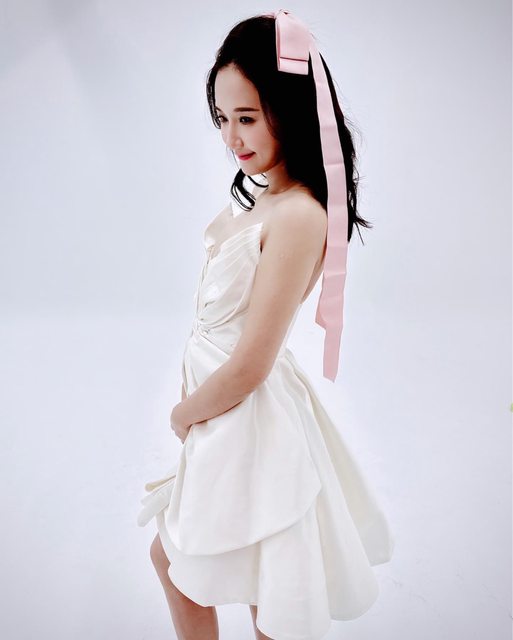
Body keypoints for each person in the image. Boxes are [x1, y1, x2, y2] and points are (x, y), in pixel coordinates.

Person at [137, 11, 394, 640]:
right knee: (183, 564)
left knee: (266, 590)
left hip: (248, 418)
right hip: (224, 418)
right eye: (222, 118)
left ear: (291, 109)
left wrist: (185, 413)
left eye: (248, 118)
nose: (232, 136)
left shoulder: (299, 214)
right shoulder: (265, 201)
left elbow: (253, 360)